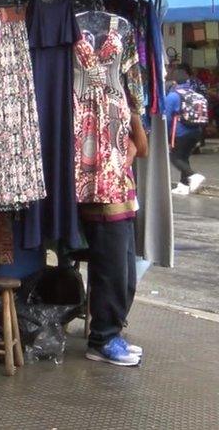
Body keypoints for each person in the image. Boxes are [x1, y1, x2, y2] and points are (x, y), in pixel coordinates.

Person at [80, 108, 148, 367]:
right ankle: (102, 339)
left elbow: (139, 146)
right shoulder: (95, 104)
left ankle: (110, 333)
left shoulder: (121, 103)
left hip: (121, 189)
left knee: (125, 273)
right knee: (112, 270)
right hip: (103, 190)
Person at [165, 80, 206, 195]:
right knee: (184, 157)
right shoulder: (195, 94)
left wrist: (166, 136)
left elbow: (167, 118)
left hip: (180, 132)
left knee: (175, 157)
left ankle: (194, 176)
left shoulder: (173, 96)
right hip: (197, 132)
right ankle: (183, 185)